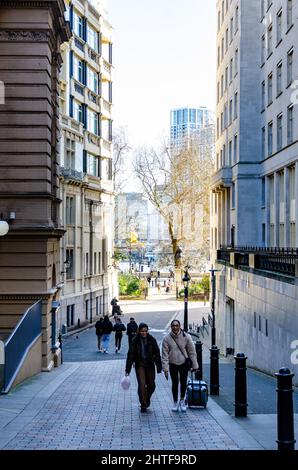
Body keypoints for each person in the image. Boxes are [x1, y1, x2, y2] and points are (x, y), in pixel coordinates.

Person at [162, 319, 198, 412]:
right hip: (173, 363)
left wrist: (195, 365)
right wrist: (165, 368)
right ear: (171, 327)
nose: (175, 327)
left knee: (183, 382)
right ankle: (175, 402)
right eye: (173, 326)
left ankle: (182, 400)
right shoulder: (167, 338)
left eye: (177, 325)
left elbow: (192, 352)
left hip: (183, 363)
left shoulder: (186, 336)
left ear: (180, 326)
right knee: (174, 383)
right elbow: (164, 355)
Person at [125, 323, 162, 412]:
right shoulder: (135, 340)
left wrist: (159, 367)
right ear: (139, 331)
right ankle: (143, 404)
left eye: (145, 331)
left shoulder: (151, 340)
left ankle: (146, 398)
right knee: (142, 385)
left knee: (151, 385)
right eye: (142, 331)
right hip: (139, 364)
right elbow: (130, 355)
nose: (144, 333)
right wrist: (128, 369)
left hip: (150, 365)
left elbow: (157, 353)